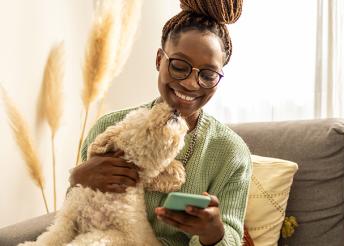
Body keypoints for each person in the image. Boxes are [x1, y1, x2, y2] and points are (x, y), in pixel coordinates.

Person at [69, 0, 252, 245]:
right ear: (159, 60)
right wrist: (77, 179)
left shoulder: (231, 153)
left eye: (208, 74)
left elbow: (231, 237)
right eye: (179, 66)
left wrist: (214, 233)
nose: (190, 83)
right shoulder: (108, 128)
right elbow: (77, 216)